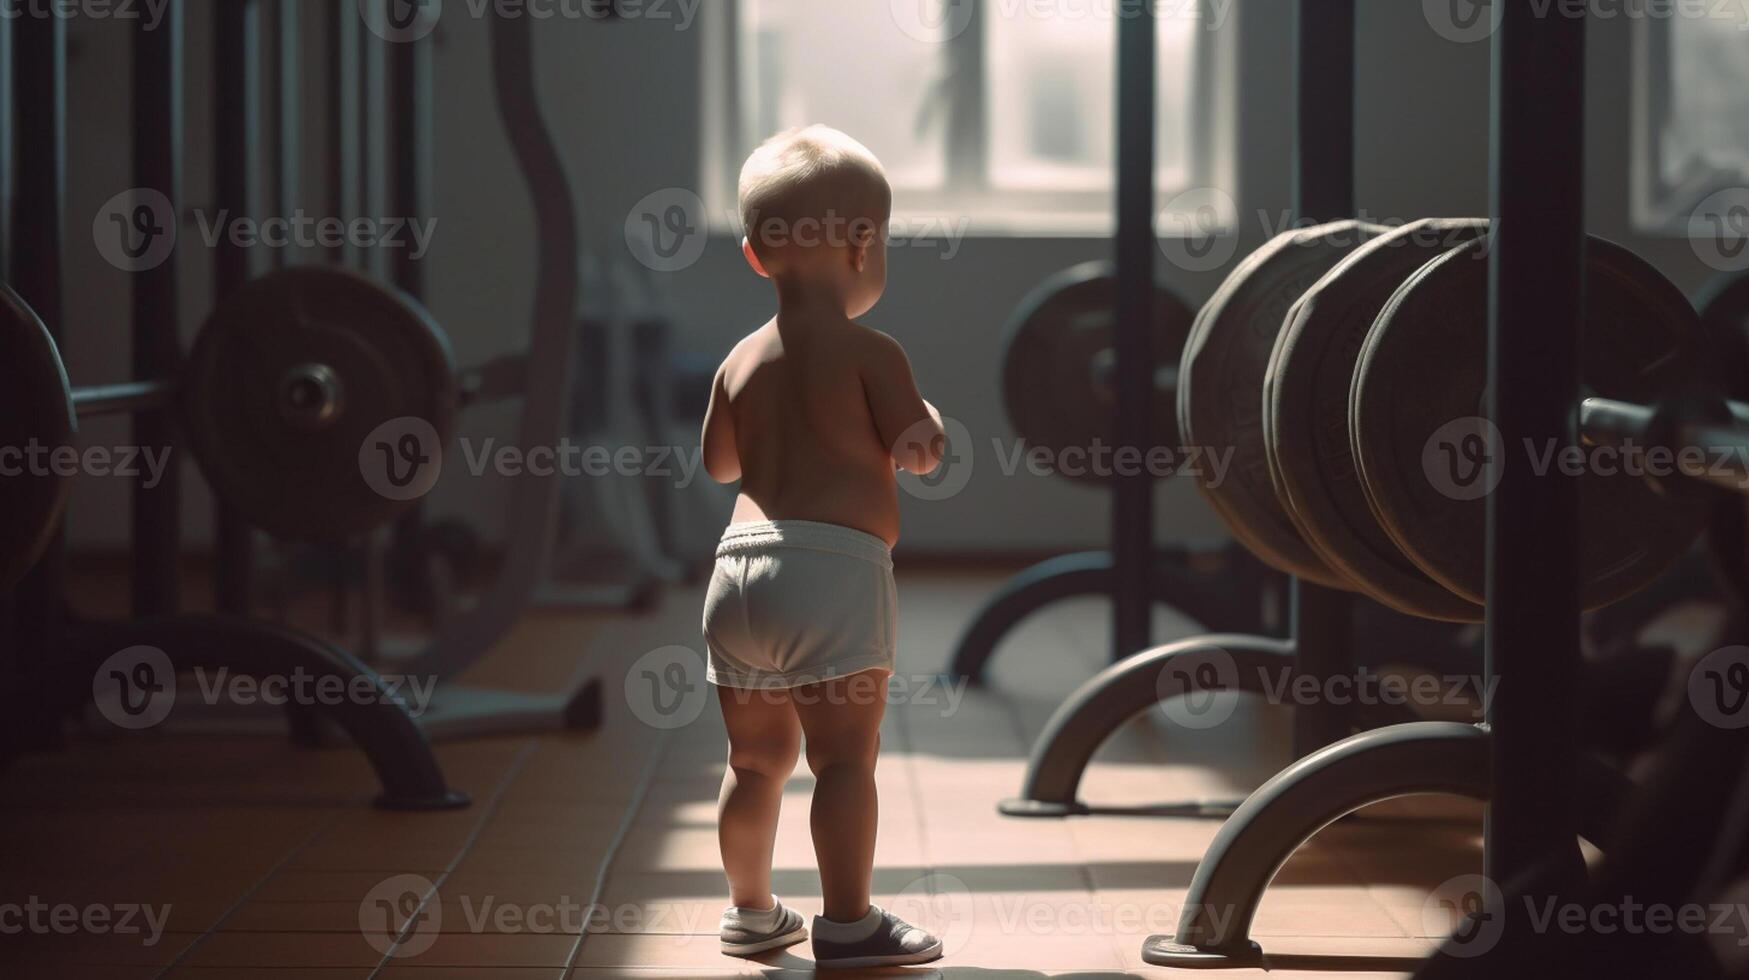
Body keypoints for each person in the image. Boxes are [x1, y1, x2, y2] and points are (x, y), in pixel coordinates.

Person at [699, 125, 947, 970]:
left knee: (753, 759)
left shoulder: (737, 358)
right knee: (843, 756)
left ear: (753, 256)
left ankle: (750, 912)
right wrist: (924, 434)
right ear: (862, 245)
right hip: (830, 573)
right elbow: (917, 443)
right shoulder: (872, 351)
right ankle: (848, 924)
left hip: (737, 574)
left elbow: (719, 463)